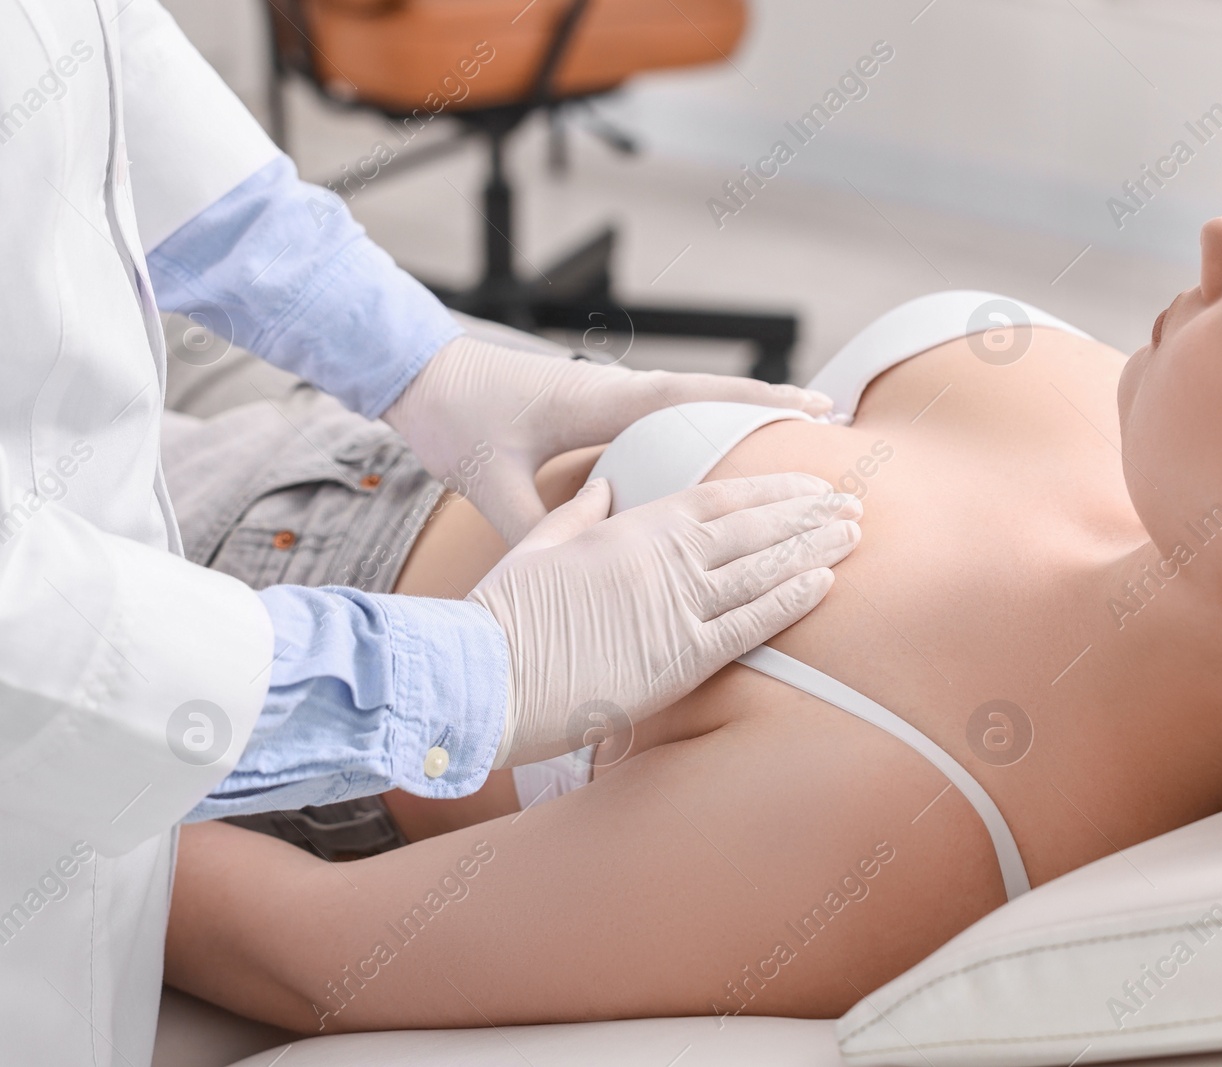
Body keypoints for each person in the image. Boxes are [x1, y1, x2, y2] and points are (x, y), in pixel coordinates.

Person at [164, 161, 1222, 1030]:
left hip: (228, 618)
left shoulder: (886, 816)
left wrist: (78, 715)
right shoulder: (1184, 497)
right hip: (374, 405)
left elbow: (301, 952)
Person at [0, 4, 860, 1063]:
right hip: (197, 646)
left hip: (188, 548)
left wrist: (417, 359)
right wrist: (462, 676)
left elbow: (90, 61)